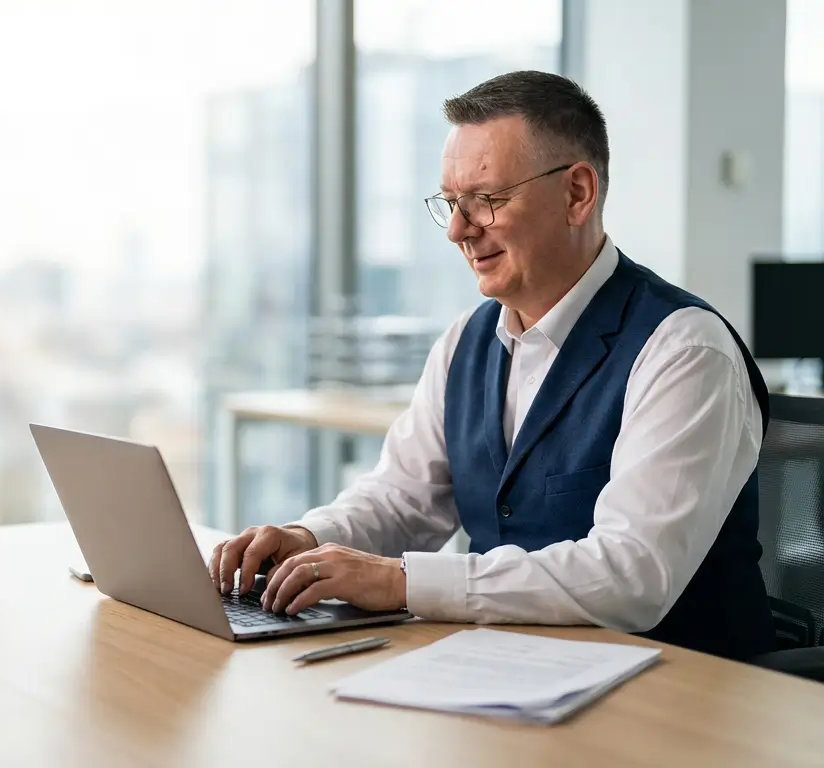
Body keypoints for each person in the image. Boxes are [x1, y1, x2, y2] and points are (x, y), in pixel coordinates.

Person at [208, 70, 774, 661]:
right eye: (452, 204)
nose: (458, 231)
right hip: (512, 673)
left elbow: (632, 577)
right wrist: (310, 540)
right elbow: (404, 498)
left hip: (682, 695)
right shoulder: (465, 342)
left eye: (486, 201)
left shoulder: (683, 350)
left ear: (577, 194)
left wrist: (398, 582)